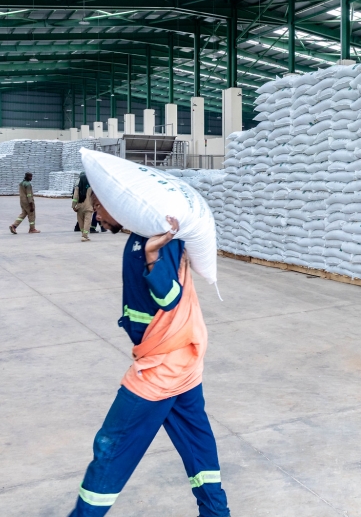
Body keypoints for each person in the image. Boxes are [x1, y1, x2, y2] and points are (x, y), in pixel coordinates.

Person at [69, 191, 229, 516]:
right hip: (180, 359)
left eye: (98, 205)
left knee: (111, 446)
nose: (95, 214)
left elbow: (170, 297)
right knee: (197, 445)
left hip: (163, 365)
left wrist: (154, 256)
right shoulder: (139, 237)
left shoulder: (157, 240)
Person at [72, 174, 94, 242]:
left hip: (80, 206)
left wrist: (73, 206)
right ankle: (85, 235)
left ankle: (83, 235)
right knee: (87, 221)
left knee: (81, 221)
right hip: (89, 206)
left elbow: (75, 197)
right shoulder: (91, 187)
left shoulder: (77, 187)